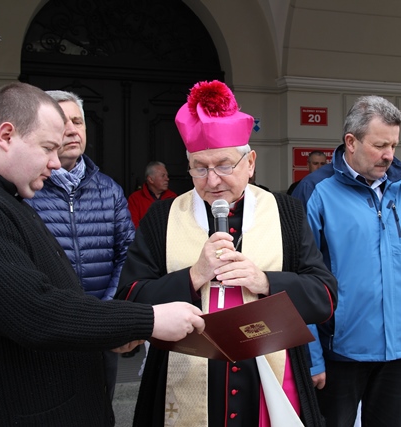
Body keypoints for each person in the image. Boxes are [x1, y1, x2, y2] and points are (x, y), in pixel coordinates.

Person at [0, 82, 205, 426]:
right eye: (48, 148)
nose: (55, 163)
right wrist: (149, 319)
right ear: (6, 136)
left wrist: (112, 329)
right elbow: (33, 311)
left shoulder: (3, 197)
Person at [116, 80, 338, 427]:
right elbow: (130, 300)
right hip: (182, 378)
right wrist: (193, 277)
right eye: (199, 168)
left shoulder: (286, 213)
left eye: (224, 165)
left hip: (267, 380)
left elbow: (324, 297)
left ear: (250, 163)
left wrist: (265, 281)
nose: (212, 181)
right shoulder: (162, 218)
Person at [292, 95, 401, 427]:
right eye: (380, 145)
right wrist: (311, 357)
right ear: (351, 142)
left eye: (394, 145)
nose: (389, 155)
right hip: (339, 349)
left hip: (399, 349)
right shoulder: (315, 190)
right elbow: (299, 280)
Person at [25, 90, 133, 401]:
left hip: (101, 331)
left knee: (99, 408)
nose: (72, 130)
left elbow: (127, 254)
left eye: (78, 121)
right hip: (49, 330)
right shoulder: (27, 190)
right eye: (63, 123)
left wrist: (105, 311)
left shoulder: (109, 190)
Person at [128, 160, 178, 229]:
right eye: (163, 176)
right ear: (150, 179)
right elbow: (133, 225)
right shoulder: (135, 199)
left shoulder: (173, 198)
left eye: (167, 176)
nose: (167, 179)